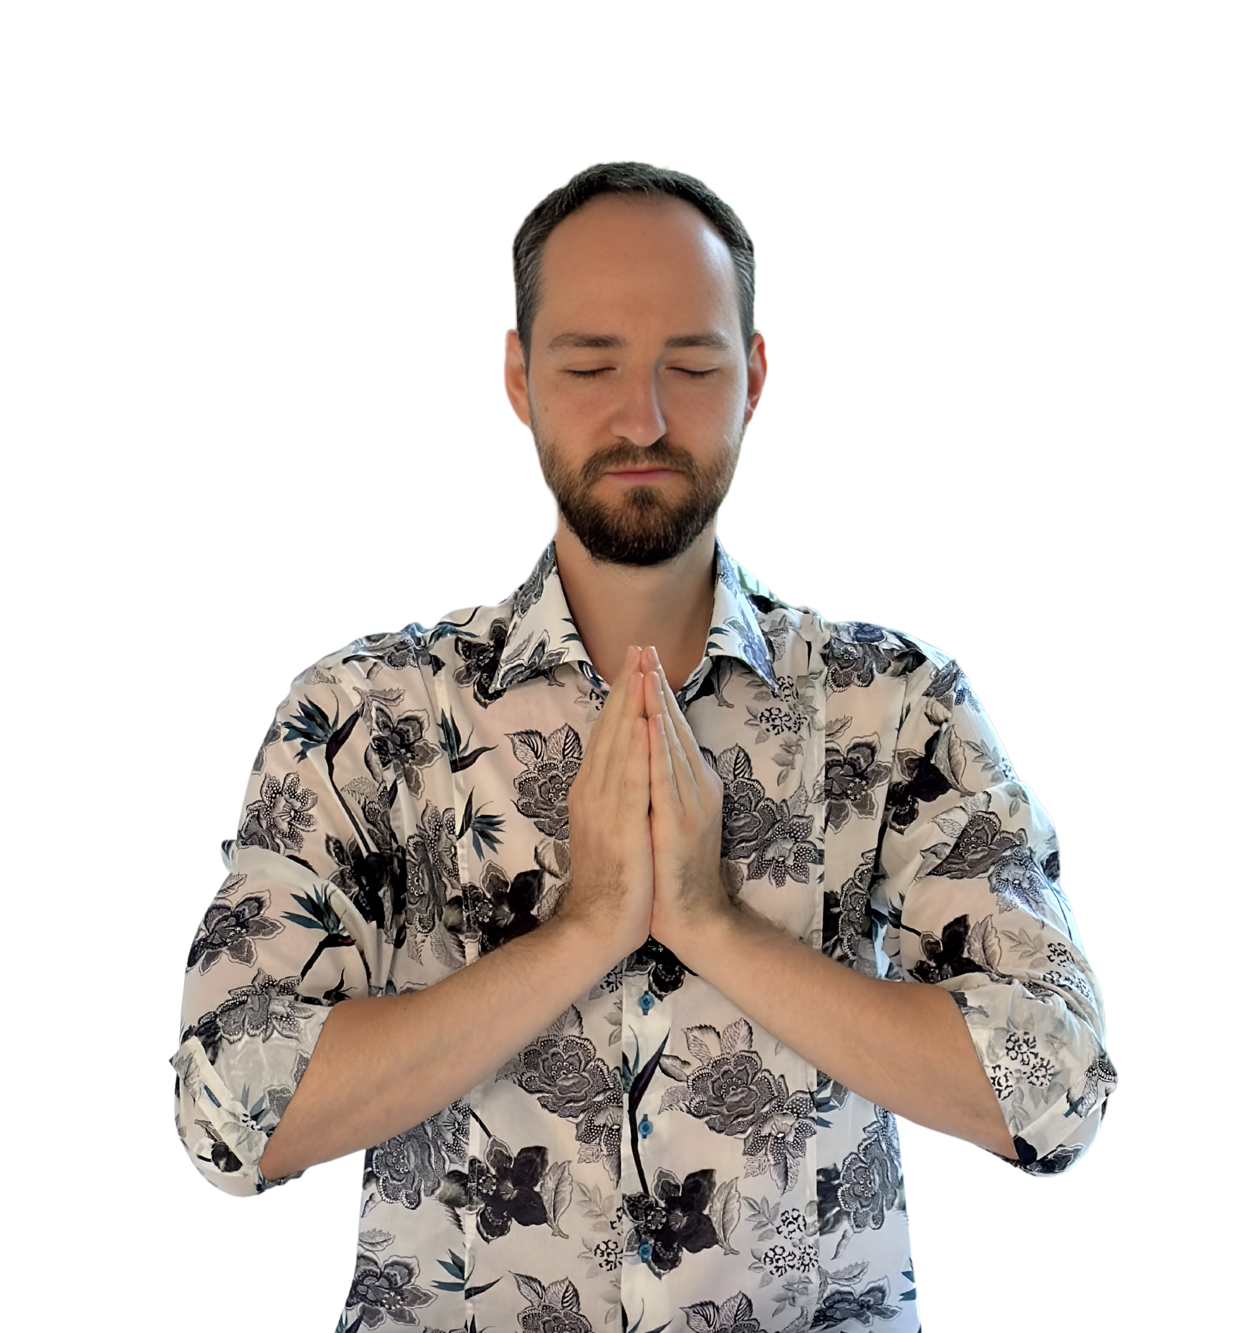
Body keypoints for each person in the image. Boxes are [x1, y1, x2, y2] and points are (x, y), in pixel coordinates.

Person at [171, 160, 1117, 1331]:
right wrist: (586, 928)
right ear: (517, 376)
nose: (645, 420)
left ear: (754, 376)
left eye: (693, 365)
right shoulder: (363, 711)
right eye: (590, 365)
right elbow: (227, 1117)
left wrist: (711, 922)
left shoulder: (896, 705)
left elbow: (1054, 1093)